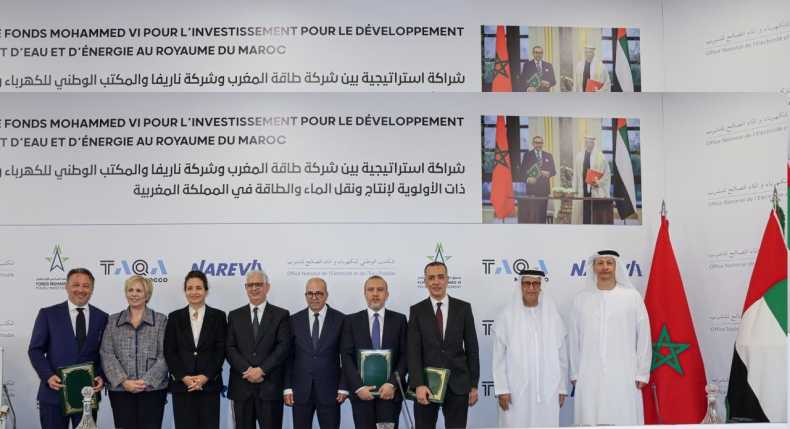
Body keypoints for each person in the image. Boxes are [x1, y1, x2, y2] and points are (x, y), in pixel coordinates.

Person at [569, 250, 651, 425]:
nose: (604, 267)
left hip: (625, 373)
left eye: (609, 263)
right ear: (593, 268)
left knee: (622, 415)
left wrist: (642, 372)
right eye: (600, 263)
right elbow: (573, 340)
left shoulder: (632, 297)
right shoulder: (581, 300)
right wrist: (575, 372)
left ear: (616, 267)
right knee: (590, 416)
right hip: (589, 373)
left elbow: (644, 335)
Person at [28, 268, 108, 429]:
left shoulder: (102, 317)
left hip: (87, 396)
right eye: (76, 285)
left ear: (92, 289)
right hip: (54, 395)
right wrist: (48, 376)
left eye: (86, 286)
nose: (81, 289)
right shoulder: (48, 314)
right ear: (66, 286)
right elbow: (35, 350)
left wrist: (101, 376)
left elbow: (105, 353)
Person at [408, 261, 479, 429]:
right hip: (426, 385)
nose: (436, 282)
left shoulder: (463, 308)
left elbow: (472, 348)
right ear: (425, 281)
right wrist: (418, 384)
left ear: (447, 279)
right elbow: (413, 351)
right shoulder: (417, 310)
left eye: (440, 277)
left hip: (458, 385)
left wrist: (473, 385)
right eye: (431, 278)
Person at [492, 270, 568, 428]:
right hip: (515, 390)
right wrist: (502, 389)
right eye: (527, 283)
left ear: (541, 287)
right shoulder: (507, 316)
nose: (531, 288)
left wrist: (561, 388)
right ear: (521, 286)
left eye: (536, 284)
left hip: (548, 390)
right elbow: (498, 358)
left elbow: (562, 357)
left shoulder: (552, 316)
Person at [101, 275, 168, 429]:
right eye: (130, 290)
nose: (134, 294)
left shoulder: (160, 320)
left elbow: (165, 355)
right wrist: (123, 381)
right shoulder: (113, 321)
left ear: (147, 295)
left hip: (153, 390)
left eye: (139, 290)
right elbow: (106, 353)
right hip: (120, 390)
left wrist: (146, 381)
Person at [226, 270, 292, 429]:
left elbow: (283, 347)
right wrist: (248, 370)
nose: (254, 288)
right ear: (245, 288)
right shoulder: (234, 315)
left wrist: (261, 370)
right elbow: (229, 347)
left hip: (269, 388)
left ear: (267, 287)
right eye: (250, 285)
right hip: (242, 388)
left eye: (258, 284)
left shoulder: (281, 315)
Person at [341, 275, 408, 429]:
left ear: (387, 294)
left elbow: (405, 355)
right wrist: (358, 387)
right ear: (365, 293)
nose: (375, 293)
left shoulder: (399, 320)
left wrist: (392, 384)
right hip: (362, 395)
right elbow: (346, 356)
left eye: (380, 289)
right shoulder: (351, 321)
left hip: (389, 395)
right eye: (371, 290)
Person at [164, 270, 227, 429]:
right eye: (190, 288)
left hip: (209, 385)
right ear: (185, 291)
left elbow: (220, 350)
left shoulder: (219, 316)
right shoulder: (174, 317)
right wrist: (183, 377)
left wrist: (205, 376)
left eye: (198, 288)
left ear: (206, 290)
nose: (194, 292)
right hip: (182, 386)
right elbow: (170, 351)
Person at [285, 277, 348, 429]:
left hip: (330, 392)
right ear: (305, 295)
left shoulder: (341, 320)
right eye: (310, 293)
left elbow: (346, 357)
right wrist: (287, 387)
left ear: (326, 295)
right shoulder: (293, 320)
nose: (314, 297)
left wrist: (344, 386)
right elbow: (288, 358)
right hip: (300, 392)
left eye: (319, 293)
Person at [572, 136, 611, 224]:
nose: (589, 144)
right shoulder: (579, 157)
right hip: (582, 191)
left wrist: (599, 183)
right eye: (587, 142)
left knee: (594, 218)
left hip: (595, 191)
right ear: (585, 143)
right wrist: (574, 190)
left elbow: (607, 175)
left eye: (591, 142)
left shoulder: (601, 157)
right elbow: (575, 175)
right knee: (582, 217)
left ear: (594, 143)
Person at [520, 135, 557, 223]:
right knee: (533, 216)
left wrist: (548, 173)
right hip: (532, 191)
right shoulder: (527, 155)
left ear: (542, 144)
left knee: (542, 215)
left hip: (544, 191)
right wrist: (527, 179)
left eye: (540, 143)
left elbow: (554, 171)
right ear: (533, 144)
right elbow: (522, 172)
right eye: (536, 143)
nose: (538, 145)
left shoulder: (548, 155)